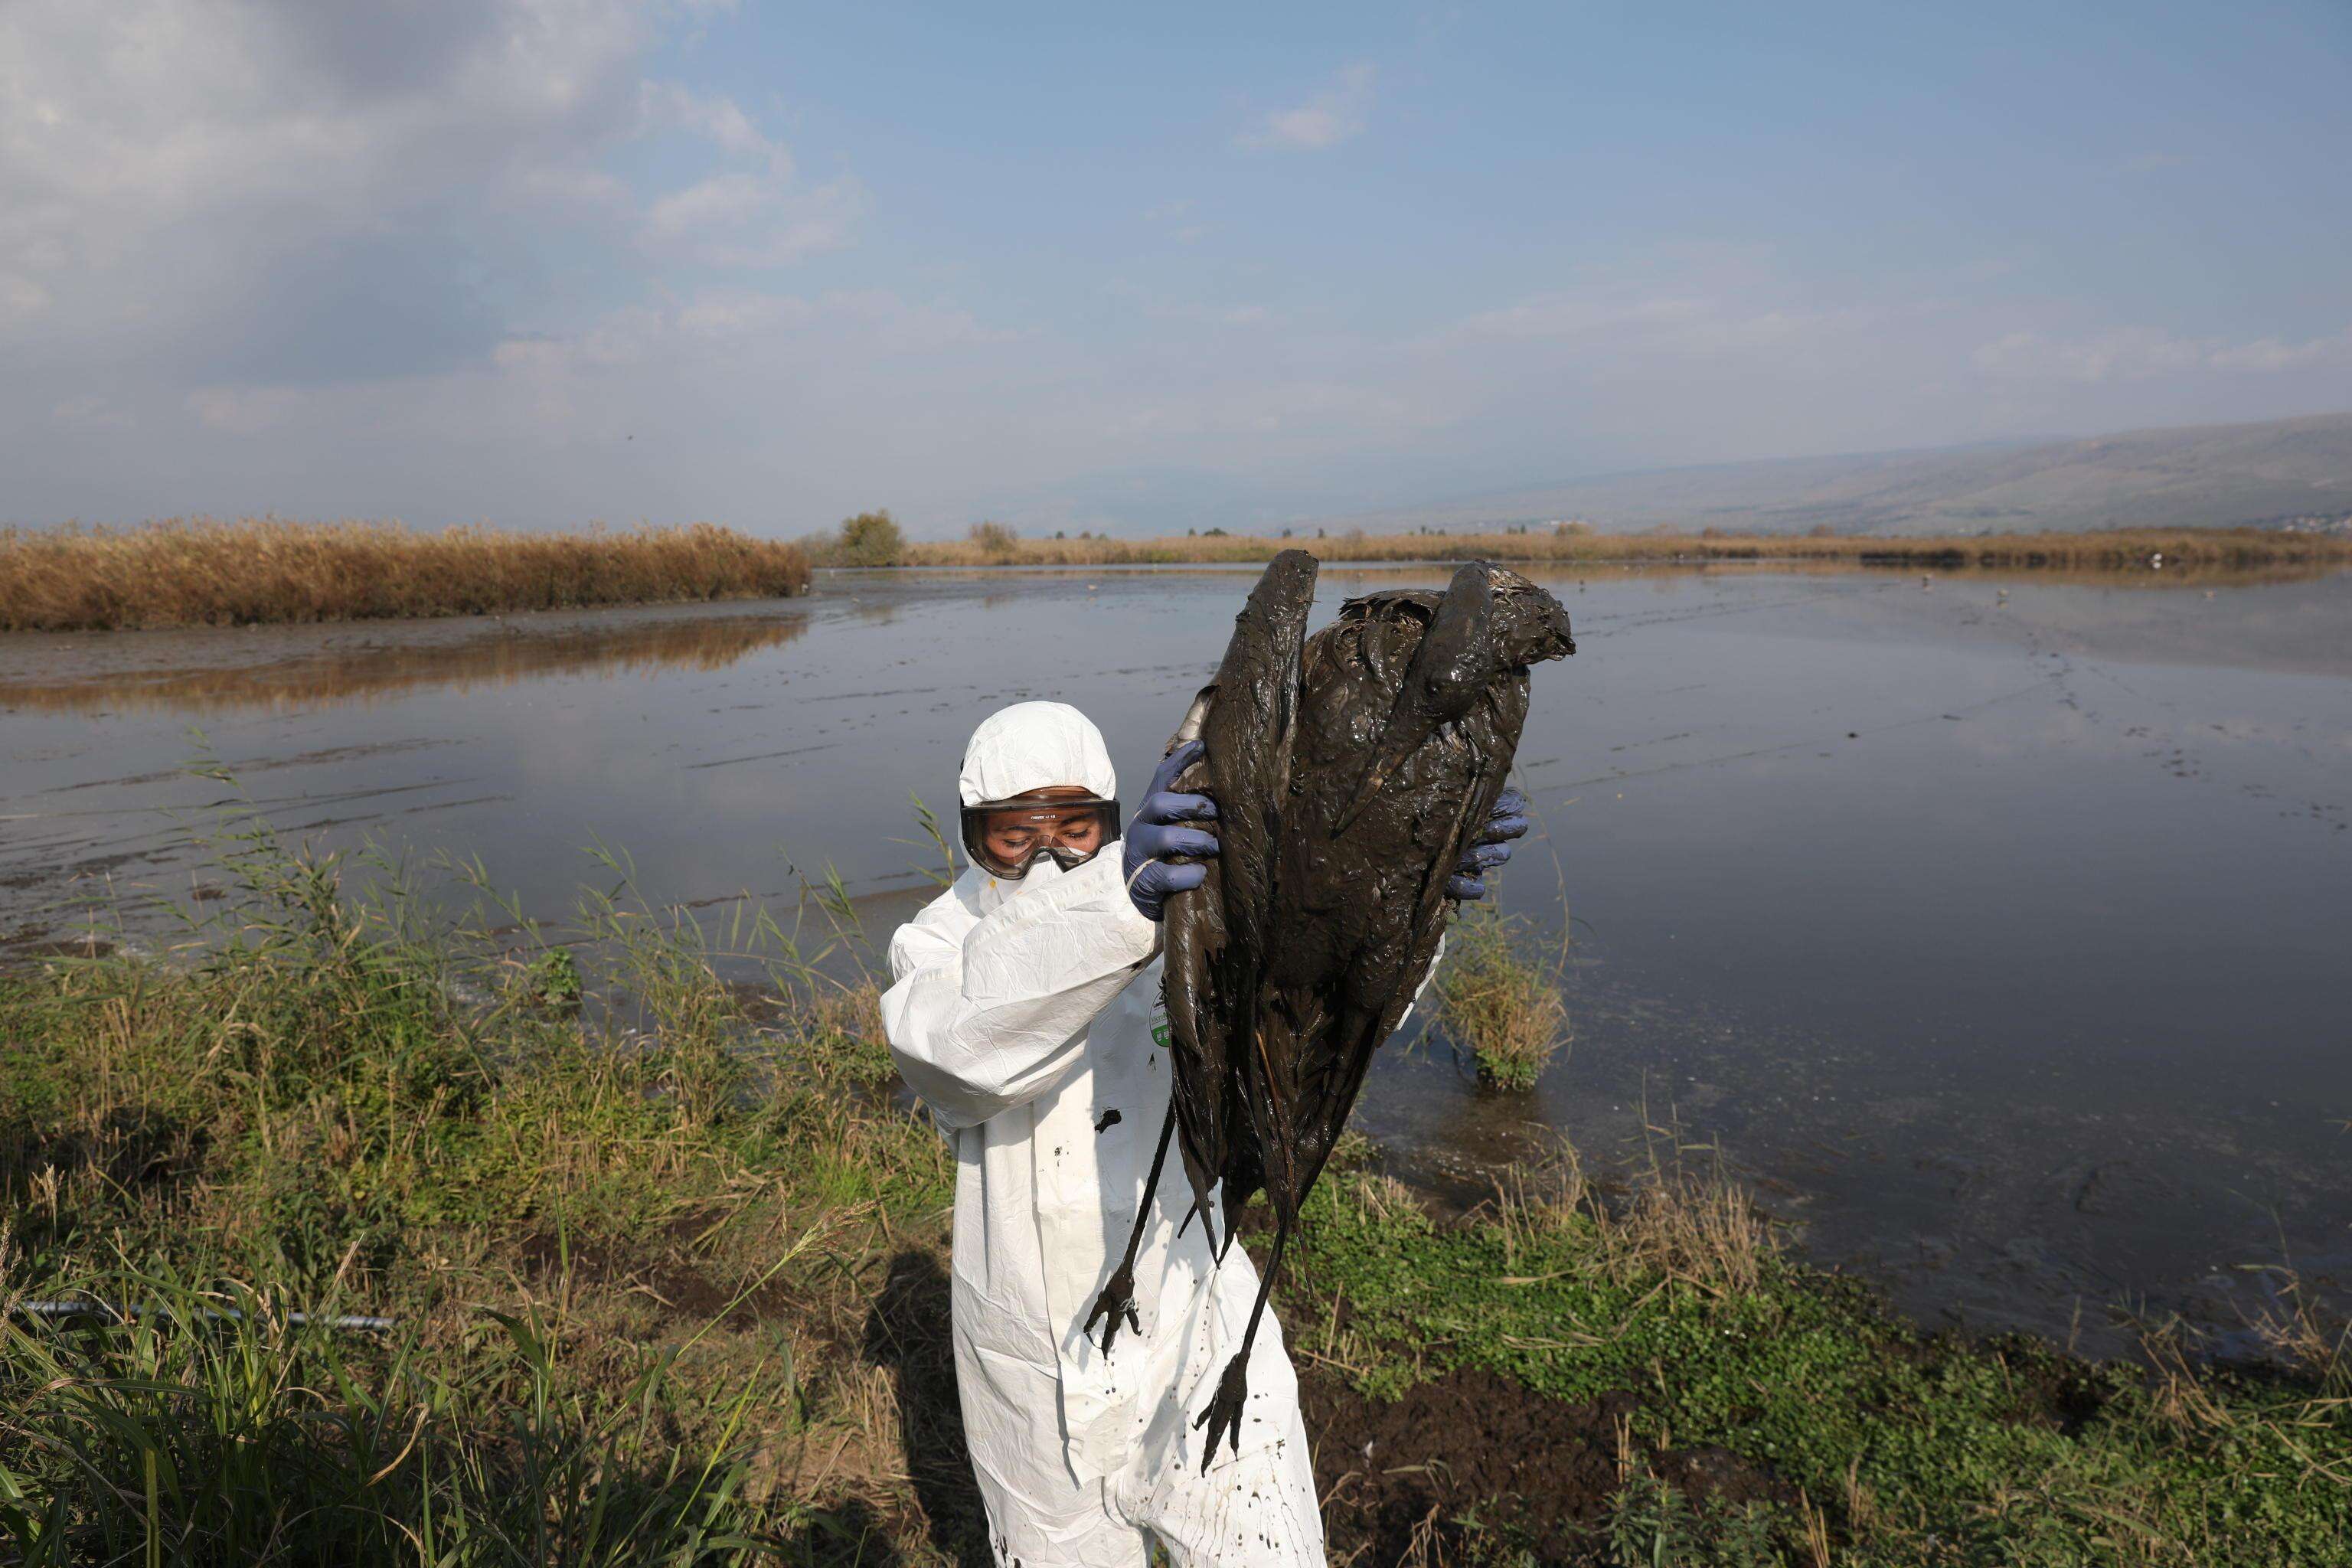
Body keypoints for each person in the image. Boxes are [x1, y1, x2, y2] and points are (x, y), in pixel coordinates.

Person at [881, 701, 1530, 1567]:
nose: (1047, 856)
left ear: (1114, 817)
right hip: (1033, 1357)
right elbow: (957, 1058)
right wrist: (1114, 903)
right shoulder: (940, 944)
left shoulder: (1186, 899)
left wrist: (1409, 902)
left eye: (1074, 827)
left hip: (1196, 1321)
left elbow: (1313, 1022)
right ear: (974, 835)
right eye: (1014, 835)